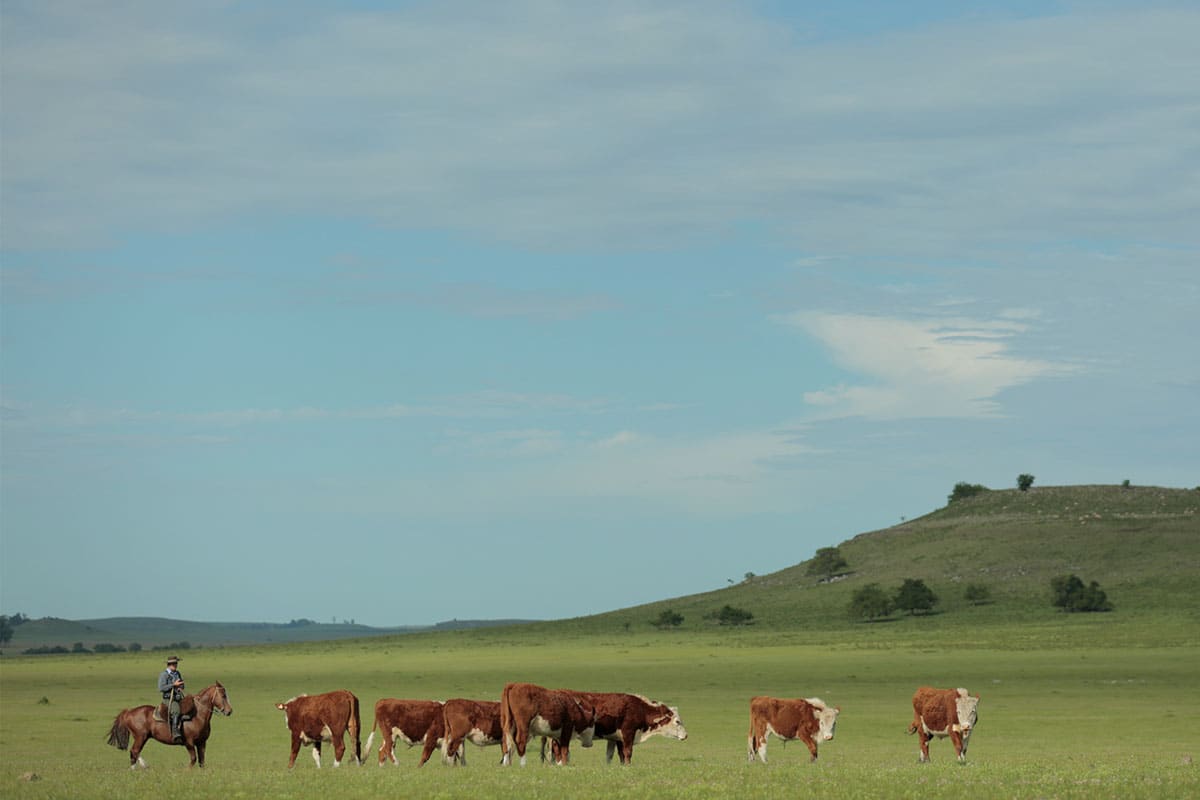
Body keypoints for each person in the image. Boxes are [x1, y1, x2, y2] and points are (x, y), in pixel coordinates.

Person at [157, 655, 185, 742]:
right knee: (176, 709)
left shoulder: (177, 673)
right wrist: (173, 685)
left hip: (178, 697)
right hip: (169, 698)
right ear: (169, 664)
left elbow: (182, 683)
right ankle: (175, 731)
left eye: (176, 663)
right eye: (173, 664)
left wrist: (181, 686)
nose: (175, 665)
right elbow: (161, 688)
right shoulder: (164, 675)